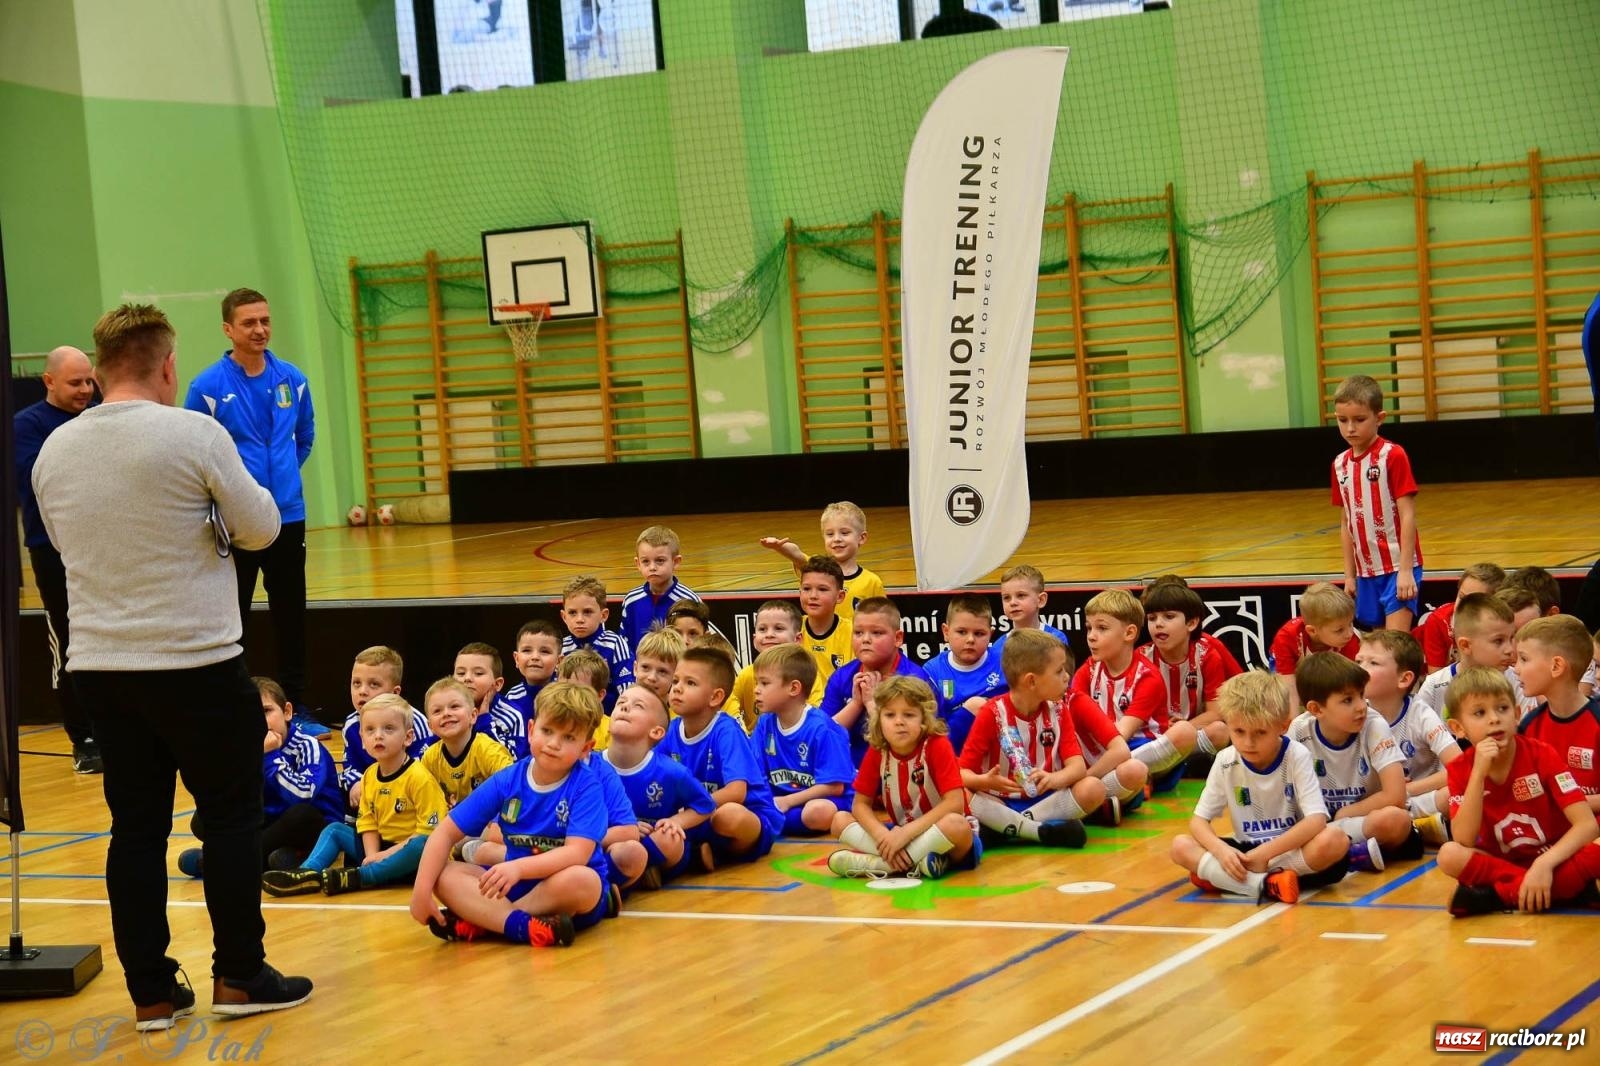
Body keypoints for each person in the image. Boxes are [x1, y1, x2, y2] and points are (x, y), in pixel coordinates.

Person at [32, 303, 310, 1026]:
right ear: (165, 366)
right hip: (196, 662)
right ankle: (240, 977)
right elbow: (261, 527)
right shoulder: (193, 432)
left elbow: (64, 544)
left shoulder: (54, 450)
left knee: (136, 828)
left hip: (102, 668)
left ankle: (151, 992)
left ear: (96, 372)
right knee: (227, 820)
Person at [185, 288, 315, 708]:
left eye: (265, 321)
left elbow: (305, 437)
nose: (260, 329)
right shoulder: (206, 387)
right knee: (233, 615)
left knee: (291, 616)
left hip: (287, 516)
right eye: (249, 323)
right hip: (234, 520)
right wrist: (237, 492)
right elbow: (193, 450)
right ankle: (234, 704)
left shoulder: (292, 379)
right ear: (228, 329)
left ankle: (294, 703)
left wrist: (282, 482)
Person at [410, 683, 614, 946]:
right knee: (443, 875)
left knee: (583, 880)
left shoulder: (586, 785)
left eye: (569, 738)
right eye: (547, 731)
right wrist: (421, 891)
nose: (554, 743)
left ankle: (488, 921)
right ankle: (524, 926)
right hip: (513, 881)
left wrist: (517, 868)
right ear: (531, 730)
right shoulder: (508, 779)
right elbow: (445, 832)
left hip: (560, 888)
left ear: (586, 748)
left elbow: (576, 853)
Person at [1169, 671, 1350, 904]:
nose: (1248, 743)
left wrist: (1263, 855)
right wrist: (1222, 852)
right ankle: (1264, 884)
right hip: (1248, 850)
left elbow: (1316, 820)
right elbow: (1198, 822)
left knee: (1335, 840)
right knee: (1180, 846)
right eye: (1239, 732)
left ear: (1283, 726)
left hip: (1291, 849)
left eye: (1260, 732)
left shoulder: (1296, 755)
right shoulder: (1225, 760)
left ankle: (1232, 880)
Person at [1438, 667, 1600, 916]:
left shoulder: (1542, 754)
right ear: (1458, 728)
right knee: (1448, 855)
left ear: (1516, 714)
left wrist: (1544, 865)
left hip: (1557, 857)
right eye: (1480, 713)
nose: (1494, 719)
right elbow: (1464, 839)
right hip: (1505, 863)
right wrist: (1478, 774)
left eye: (1502, 709)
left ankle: (1499, 897)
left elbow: (1587, 825)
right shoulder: (1461, 768)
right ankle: (1565, 890)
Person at [263, 694, 447, 897]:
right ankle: (307, 873)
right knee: (334, 830)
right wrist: (373, 855)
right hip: (380, 850)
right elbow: (367, 822)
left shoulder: (419, 777)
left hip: (409, 854)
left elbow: (429, 832)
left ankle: (363, 877)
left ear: (408, 737)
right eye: (370, 730)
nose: (378, 736)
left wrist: (385, 855)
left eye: (389, 729)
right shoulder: (369, 776)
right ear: (361, 739)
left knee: (424, 844)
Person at [13, 345, 100, 772]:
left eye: (89, 381)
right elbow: (39, 481)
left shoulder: (101, 414)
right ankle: (82, 736)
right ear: (49, 381)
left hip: (101, 544)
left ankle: (115, 728)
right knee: (70, 642)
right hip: (53, 549)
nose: (85, 390)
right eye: (75, 383)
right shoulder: (26, 426)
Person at [178, 676, 343, 878]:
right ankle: (274, 859)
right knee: (204, 818)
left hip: (312, 824)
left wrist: (271, 756)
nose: (258, 720)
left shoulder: (306, 746)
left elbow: (303, 795)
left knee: (301, 816)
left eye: (266, 711)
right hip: (270, 823)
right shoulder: (244, 748)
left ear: (287, 712)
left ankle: (218, 861)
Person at [959, 629, 1099, 848]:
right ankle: (1037, 831)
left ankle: (1008, 828)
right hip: (999, 801)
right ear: (1032, 681)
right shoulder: (991, 712)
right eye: (1059, 671)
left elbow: (1078, 767)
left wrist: (1054, 779)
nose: (1067, 677)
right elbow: (962, 774)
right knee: (960, 795)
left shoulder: (1060, 710)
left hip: (1045, 800)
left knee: (1093, 788)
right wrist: (985, 781)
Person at [828, 676, 977, 879]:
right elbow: (860, 805)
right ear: (878, 719)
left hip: (938, 832)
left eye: (909, 715)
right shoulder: (878, 749)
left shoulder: (936, 745)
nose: (899, 722)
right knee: (839, 820)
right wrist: (883, 836)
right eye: (890, 715)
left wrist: (906, 834)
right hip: (901, 831)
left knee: (957, 825)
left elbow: (955, 804)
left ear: (924, 719)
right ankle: (913, 861)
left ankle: (882, 865)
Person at [1289, 653, 1417, 872]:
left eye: (1361, 695)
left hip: (1357, 819)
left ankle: (1343, 855)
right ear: (1316, 709)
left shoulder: (1374, 725)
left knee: (1396, 820)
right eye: (1348, 700)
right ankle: (1356, 855)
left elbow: (1396, 796)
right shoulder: (1299, 731)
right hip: (1317, 827)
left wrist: (1342, 814)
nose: (1361, 706)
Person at [658, 646, 782, 868]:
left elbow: (737, 792)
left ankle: (711, 855)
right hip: (698, 816)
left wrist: (688, 812)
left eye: (690, 683)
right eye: (675, 681)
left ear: (715, 697)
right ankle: (691, 856)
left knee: (728, 816)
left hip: (747, 815)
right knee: (659, 829)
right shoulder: (670, 731)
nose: (677, 689)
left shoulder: (726, 730)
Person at [1075, 588, 1195, 790]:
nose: (1091, 637)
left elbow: (1122, 734)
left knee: (1184, 732)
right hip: (1105, 749)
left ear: (1129, 633)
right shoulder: (1089, 668)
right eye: (1089, 628)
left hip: (1136, 747)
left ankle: (1095, 784)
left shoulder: (1147, 676)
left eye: (1102, 628)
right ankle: (1120, 788)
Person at [1331, 374, 1424, 632]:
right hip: (1365, 574)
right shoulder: (1340, 465)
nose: (1350, 428)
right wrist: (1350, 575)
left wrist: (1405, 571)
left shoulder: (1392, 456)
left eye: (1359, 420)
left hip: (1397, 567)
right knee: (1378, 650)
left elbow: (1407, 515)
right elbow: (1345, 523)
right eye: (1342, 420)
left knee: (1394, 646)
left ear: (1379, 418)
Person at [603, 685, 716, 888]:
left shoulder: (671, 771)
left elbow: (705, 805)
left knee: (670, 838)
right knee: (622, 849)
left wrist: (675, 821)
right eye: (621, 703)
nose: (625, 707)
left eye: (638, 706)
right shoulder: (589, 767)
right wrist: (625, 829)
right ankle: (628, 878)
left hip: (654, 842)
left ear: (656, 732)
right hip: (614, 842)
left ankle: (636, 876)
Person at [1356, 630, 1458, 842]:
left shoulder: (1419, 713)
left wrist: (1404, 790)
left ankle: (1409, 830)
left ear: (1404, 679)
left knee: (1456, 795)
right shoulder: (1353, 714)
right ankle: (1419, 829)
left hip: (1419, 798)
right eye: (1358, 661)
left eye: (1373, 663)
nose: (1359, 670)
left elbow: (1460, 767)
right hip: (1375, 803)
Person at [749, 645, 854, 835]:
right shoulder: (765, 723)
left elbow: (834, 787)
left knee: (818, 812)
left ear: (794, 688)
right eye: (756, 683)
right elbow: (756, 773)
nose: (756, 690)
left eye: (764, 683)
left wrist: (787, 802)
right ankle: (773, 821)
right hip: (780, 801)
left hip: (822, 800)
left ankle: (771, 823)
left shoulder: (822, 728)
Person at [819, 597, 936, 765]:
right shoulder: (842, 677)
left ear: (898, 638)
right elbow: (822, 736)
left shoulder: (916, 680)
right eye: (858, 633)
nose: (865, 639)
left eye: (877, 633)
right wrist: (856, 704)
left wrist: (871, 703)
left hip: (904, 768)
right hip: (851, 771)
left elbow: (912, 744)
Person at [1137, 576, 1242, 761]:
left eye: (1168, 616)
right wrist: (1162, 726)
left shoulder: (1207, 653)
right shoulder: (1140, 658)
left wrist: (1184, 728)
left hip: (1191, 730)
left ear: (1191, 623)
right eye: (1152, 618)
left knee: (1219, 731)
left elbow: (1217, 711)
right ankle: (1157, 767)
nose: (1158, 623)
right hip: (1153, 736)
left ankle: (1160, 767)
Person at [1515, 616, 1600, 813]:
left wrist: (1566, 802)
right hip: (1546, 830)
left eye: (1524, 659)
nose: (1516, 669)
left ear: (1556, 666)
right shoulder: (1529, 725)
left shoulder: (1596, 722)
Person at [339, 646, 433, 809]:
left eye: (374, 684)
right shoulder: (351, 725)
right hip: (371, 794)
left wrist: (384, 787)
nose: (362, 691)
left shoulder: (416, 722)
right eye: (356, 683)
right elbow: (350, 763)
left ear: (395, 692)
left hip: (408, 795)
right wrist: (356, 782)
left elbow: (424, 764)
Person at [760, 501, 885, 623]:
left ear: (861, 538)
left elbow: (882, 619)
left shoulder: (872, 582)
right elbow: (796, 554)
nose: (837, 539)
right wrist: (779, 546)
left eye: (845, 533)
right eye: (830, 534)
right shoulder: (816, 568)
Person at [921, 593, 1005, 755]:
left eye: (979, 633)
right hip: (953, 755)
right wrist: (967, 713)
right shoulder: (932, 671)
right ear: (946, 632)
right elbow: (931, 727)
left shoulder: (1004, 663)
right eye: (962, 632)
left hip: (999, 751)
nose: (970, 639)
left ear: (990, 634)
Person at [724, 600, 822, 731]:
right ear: (754, 639)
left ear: (797, 639)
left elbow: (812, 719)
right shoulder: (746, 675)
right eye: (762, 629)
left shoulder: (808, 675)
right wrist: (744, 739)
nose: (769, 634)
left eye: (779, 628)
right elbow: (725, 707)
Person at [1414, 593, 1516, 717]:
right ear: (1465, 645)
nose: (1510, 649)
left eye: (1511, 638)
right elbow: (1416, 734)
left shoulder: (1517, 680)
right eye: (1498, 641)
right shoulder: (1434, 686)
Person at [419, 678, 514, 808]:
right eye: (437, 711)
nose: (446, 713)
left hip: (490, 821)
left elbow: (513, 789)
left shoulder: (489, 751)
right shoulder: (429, 759)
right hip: (451, 823)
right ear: (430, 726)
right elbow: (425, 802)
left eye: (454, 706)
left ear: (473, 716)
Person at [1270, 581, 1360, 705]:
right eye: (1339, 630)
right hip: (1291, 674)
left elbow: (1354, 685)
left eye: (1350, 623)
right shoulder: (1286, 637)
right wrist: (1294, 722)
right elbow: (1288, 687)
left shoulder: (1351, 640)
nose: (1349, 633)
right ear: (1312, 631)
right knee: (1280, 699)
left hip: (1329, 676)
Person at [619, 525, 702, 651]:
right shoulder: (631, 600)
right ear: (638, 564)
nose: (652, 567)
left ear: (676, 562)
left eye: (660, 561)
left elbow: (700, 643)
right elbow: (625, 644)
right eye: (646, 561)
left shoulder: (689, 601)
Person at [560, 574, 633, 713]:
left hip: (609, 721)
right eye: (572, 613)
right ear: (564, 616)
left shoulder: (615, 644)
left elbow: (627, 690)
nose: (579, 619)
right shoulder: (561, 647)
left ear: (603, 615)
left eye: (587, 612)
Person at [1413, 563, 1506, 672]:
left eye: (1473, 602)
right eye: (1461, 597)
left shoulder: (1503, 624)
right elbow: (1436, 680)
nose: (1463, 606)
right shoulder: (1438, 621)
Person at [455, 641, 525, 758]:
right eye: (461, 673)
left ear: (497, 684)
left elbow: (510, 761)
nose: (467, 678)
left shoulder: (512, 715)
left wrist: (484, 721)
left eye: (478, 673)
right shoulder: (447, 711)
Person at [992, 564, 1068, 660]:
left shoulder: (1056, 639)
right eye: (1006, 597)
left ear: (1041, 600)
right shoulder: (998, 647)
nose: (1013, 603)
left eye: (1021, 595)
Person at [799, 555, 853, 687]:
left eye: (822, 589)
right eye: (806, 589)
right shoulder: (791, 628)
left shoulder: (853, 633)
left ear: (840, 596)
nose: (813, 596)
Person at [502, 618, 562, 722]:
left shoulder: (567, 696)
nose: (535, 657)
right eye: (527, 650)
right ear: (516, 659)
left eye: (545, 651)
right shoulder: (511, 697)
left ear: (559, 661)